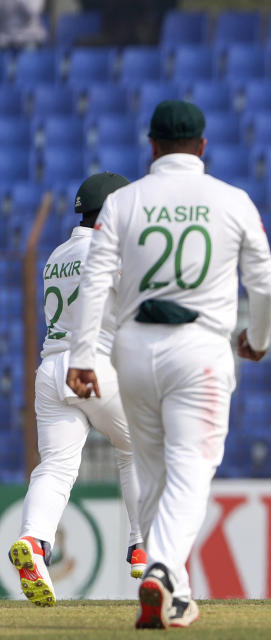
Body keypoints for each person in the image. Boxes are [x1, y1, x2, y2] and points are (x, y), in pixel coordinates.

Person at [66, 100, 271, 629]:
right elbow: (266, 281)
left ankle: (174, 593)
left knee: (153, 471)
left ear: (152, 145)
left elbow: (95, 281)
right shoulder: (231, 200)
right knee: (191, 471)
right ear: (202, 146)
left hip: (133, 349)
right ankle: (160, 569)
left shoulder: (124, 201)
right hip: (201, 348)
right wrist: (258, 337)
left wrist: (83, 354)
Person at [8, 172, 146, 608]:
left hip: (50, 371)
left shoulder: (55, 255)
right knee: (140, 445)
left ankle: (33, 542)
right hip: (92, 365)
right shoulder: (110, 251)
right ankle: (142, 545)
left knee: (55, 468)